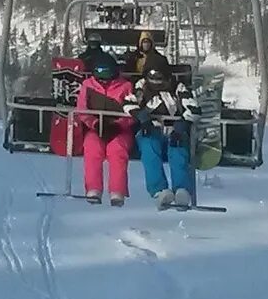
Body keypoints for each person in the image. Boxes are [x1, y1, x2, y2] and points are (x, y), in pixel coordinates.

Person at [71, 46, 137, 206]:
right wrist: (94, 123)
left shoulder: (125, 86)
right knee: (92, 147)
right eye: (101, 77)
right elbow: (82, 109)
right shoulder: (88, 85)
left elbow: (133, 111)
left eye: (107, 77)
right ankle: (93, 189)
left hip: (120, 130)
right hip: (96, 127)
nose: (104, 81)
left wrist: (119, 124)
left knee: (117, 150)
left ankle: (117, 191)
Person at [136, 62, 195, 209]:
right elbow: (128, 103)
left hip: (174, 130)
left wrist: (183, 122)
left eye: (160, 79)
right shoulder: (141, 86)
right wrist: (141, 116)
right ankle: (159, 190)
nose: (156, 82)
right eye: (153, 79)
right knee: (149, 147)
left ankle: (182, 190)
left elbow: (194, 107)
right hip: (151, 129)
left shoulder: (178, 88)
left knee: (177, 149)